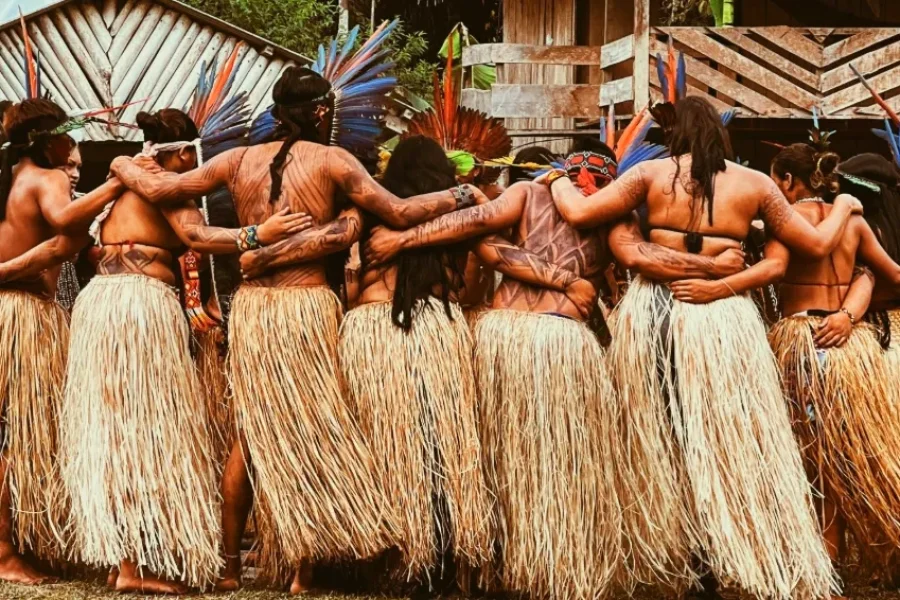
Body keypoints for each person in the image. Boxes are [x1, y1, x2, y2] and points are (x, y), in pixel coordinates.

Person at [109, 66, 488, 594]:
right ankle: (303, 570)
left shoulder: (235, 159)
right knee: (312, 427)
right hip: (306, 308)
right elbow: (399, 212)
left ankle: (230, 566)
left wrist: (122, 160)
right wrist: (463, 196)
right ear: (321, 113)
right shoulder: (335, 161)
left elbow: (163, 185)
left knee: (251, 434)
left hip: (255, 312)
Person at [363, 140, 747, 600]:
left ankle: (503, 569)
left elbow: (478, 230)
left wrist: (403, 238)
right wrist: (716, 265)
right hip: (564, 345)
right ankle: (549, 565)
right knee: (557, 463)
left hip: (504, 337)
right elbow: (639, 258)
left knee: (502, 461)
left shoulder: (527, 193)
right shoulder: (613, 214)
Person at [542, 96, 867, 599]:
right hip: (724, 316)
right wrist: (844, 203)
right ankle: (715, 554)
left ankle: (687, 555)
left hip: (658, 309)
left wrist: (557, 177)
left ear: (679, 135)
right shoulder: (756, 183)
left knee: (665, 430)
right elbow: (816, 244)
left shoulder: (651, 176)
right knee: (719, 434)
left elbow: (582, 212)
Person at [59, 107, 309, 595]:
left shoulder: (125, 174)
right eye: (190, 161)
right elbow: (197, 236)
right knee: (143, 433)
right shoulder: (157, 180)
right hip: (137, 314)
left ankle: (122, 560)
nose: (193, 173)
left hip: (102, 309)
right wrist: (258, 235)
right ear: (177, 153)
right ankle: (136, 569)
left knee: (116, 432)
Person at [329, 135, 494, 585]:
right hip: (434, 327)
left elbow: (348, 277)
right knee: (437, 439)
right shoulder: (459, 213)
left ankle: (383, 553)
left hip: (370, 329)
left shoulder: (367, 209)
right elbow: (473, 289)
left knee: (381, 443)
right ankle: (436, 549)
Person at [760, 144, 900, 584]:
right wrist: (852, 305)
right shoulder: (855, 223)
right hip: (848, 350)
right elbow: (893, 275)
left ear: (785, 179)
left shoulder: (783, 220)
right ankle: (834, 565)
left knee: (807, 459)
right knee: (840, 456)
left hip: (801, 344)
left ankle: (820, 569)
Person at [0, 98, 126, 584]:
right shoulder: (44, 177)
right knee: (15, 434)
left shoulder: (10, 175)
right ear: (50, 140)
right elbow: (63, 218)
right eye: (69, 149)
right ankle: (6, 551)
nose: (74, 165)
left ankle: (22, 544)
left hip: (12, 311)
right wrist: (117, 183)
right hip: (24, 315)